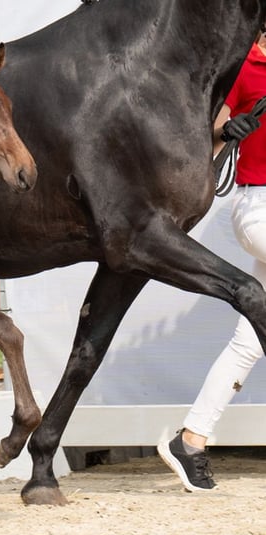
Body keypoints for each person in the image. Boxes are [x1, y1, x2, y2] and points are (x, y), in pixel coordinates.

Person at [157, 28, 266, 491]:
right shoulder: (244, 67)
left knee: (250, 340)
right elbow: (202, 133)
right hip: (259, 205)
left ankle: (192, 439)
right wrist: (228, 128)